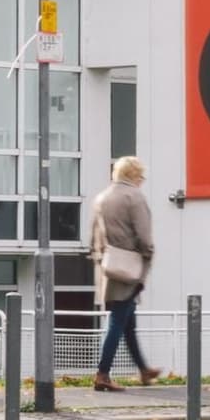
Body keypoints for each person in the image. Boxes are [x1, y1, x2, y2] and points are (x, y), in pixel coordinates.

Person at [85, 156, 158, 388]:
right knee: (118, 321)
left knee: (127, 322)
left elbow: (93, 236)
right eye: (141, 176)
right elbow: (144, 236)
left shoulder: (102, 198)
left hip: (109, 265)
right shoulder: (134, 197)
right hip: (129, 267)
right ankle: (102, 374)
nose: (142, 181)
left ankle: (144, 370)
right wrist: (148, 254)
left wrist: (100, 259)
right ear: (134, 175)